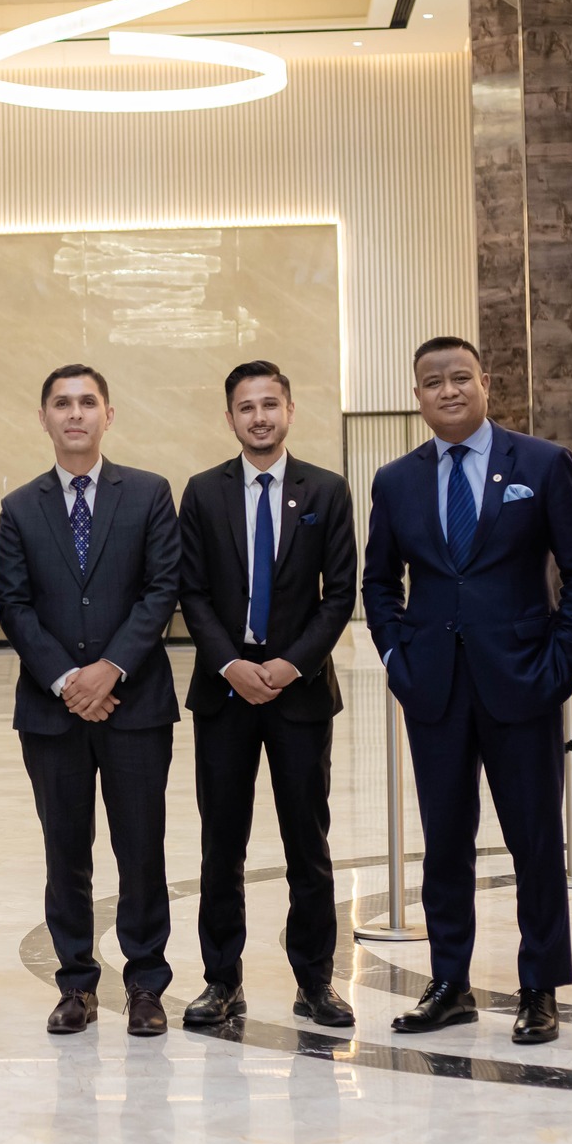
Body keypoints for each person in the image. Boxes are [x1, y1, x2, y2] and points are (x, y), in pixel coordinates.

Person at [361, 337, 572, 1044]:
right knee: (445, 842)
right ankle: (449, 983)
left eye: (460, 377)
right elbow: (379, 581)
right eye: (433, 381)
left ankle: (539, 986)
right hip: (433, 685)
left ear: (486, 382)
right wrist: (396, 655)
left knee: (534, 839)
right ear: (418, 396)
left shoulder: (542, 463)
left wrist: (561, 659)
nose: (449, 390)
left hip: (524, 679)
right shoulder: (395, 480)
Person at [0, 364, 182, 1038]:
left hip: (136, 704)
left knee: (141, 847)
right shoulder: (20, 506)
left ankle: (146, 983)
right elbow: (13, 603)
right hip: (53, 711)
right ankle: (76, 983)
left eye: (87, 402)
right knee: (65, 849)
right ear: (43, 417)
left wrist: (109, 670)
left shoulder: (150, 493)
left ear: (108, 413)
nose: (75, 413)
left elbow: (162, 588)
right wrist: (67, 680)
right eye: (61, 403)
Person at [175, 361, 357, 1030]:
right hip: (225, 693)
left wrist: (289, 664)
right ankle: (221, 980)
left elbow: (340, 593)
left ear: (289, 410)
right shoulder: (203, 492)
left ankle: (316, 981)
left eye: (270, 404)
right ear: (230, 417)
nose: (259, 416)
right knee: (222, 844)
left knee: (307, 843)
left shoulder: (326, 489)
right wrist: (230, 664)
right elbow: (190, 591)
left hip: (299, 692)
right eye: (246, 407)